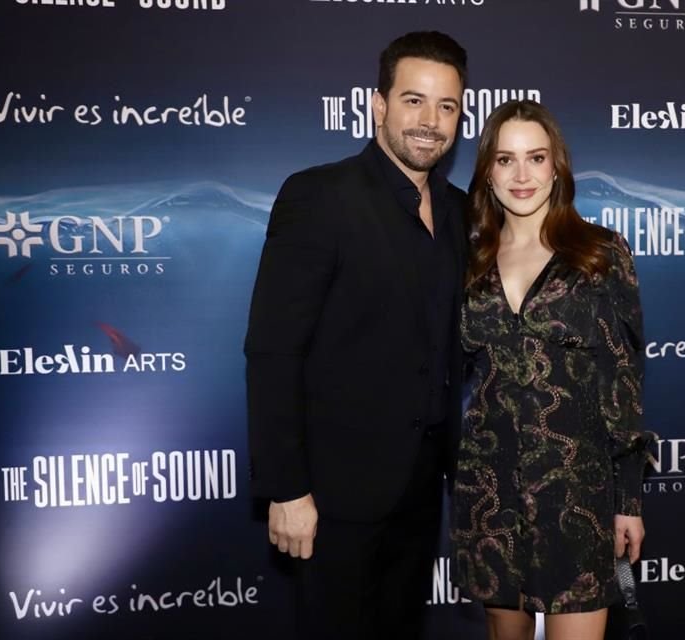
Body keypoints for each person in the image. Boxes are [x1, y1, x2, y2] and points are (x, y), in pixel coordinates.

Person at [244, 31, 468, 640]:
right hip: (332, 496)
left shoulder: (461, 212)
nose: (430, 121)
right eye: (414, 101)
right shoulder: (318, 196)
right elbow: (272, 350)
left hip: (421, 491)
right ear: (378, 105)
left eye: (446, 106)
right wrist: (287, 490)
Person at [450, 100, 654, 640]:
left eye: (536, 158)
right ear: (487, 172)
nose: (522, 175)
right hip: (488, 493)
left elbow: (623, 382)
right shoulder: (469, 260)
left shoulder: (599, 253)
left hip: (576, 496)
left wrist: (627, 501)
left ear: (557, 168)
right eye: (505, 160)